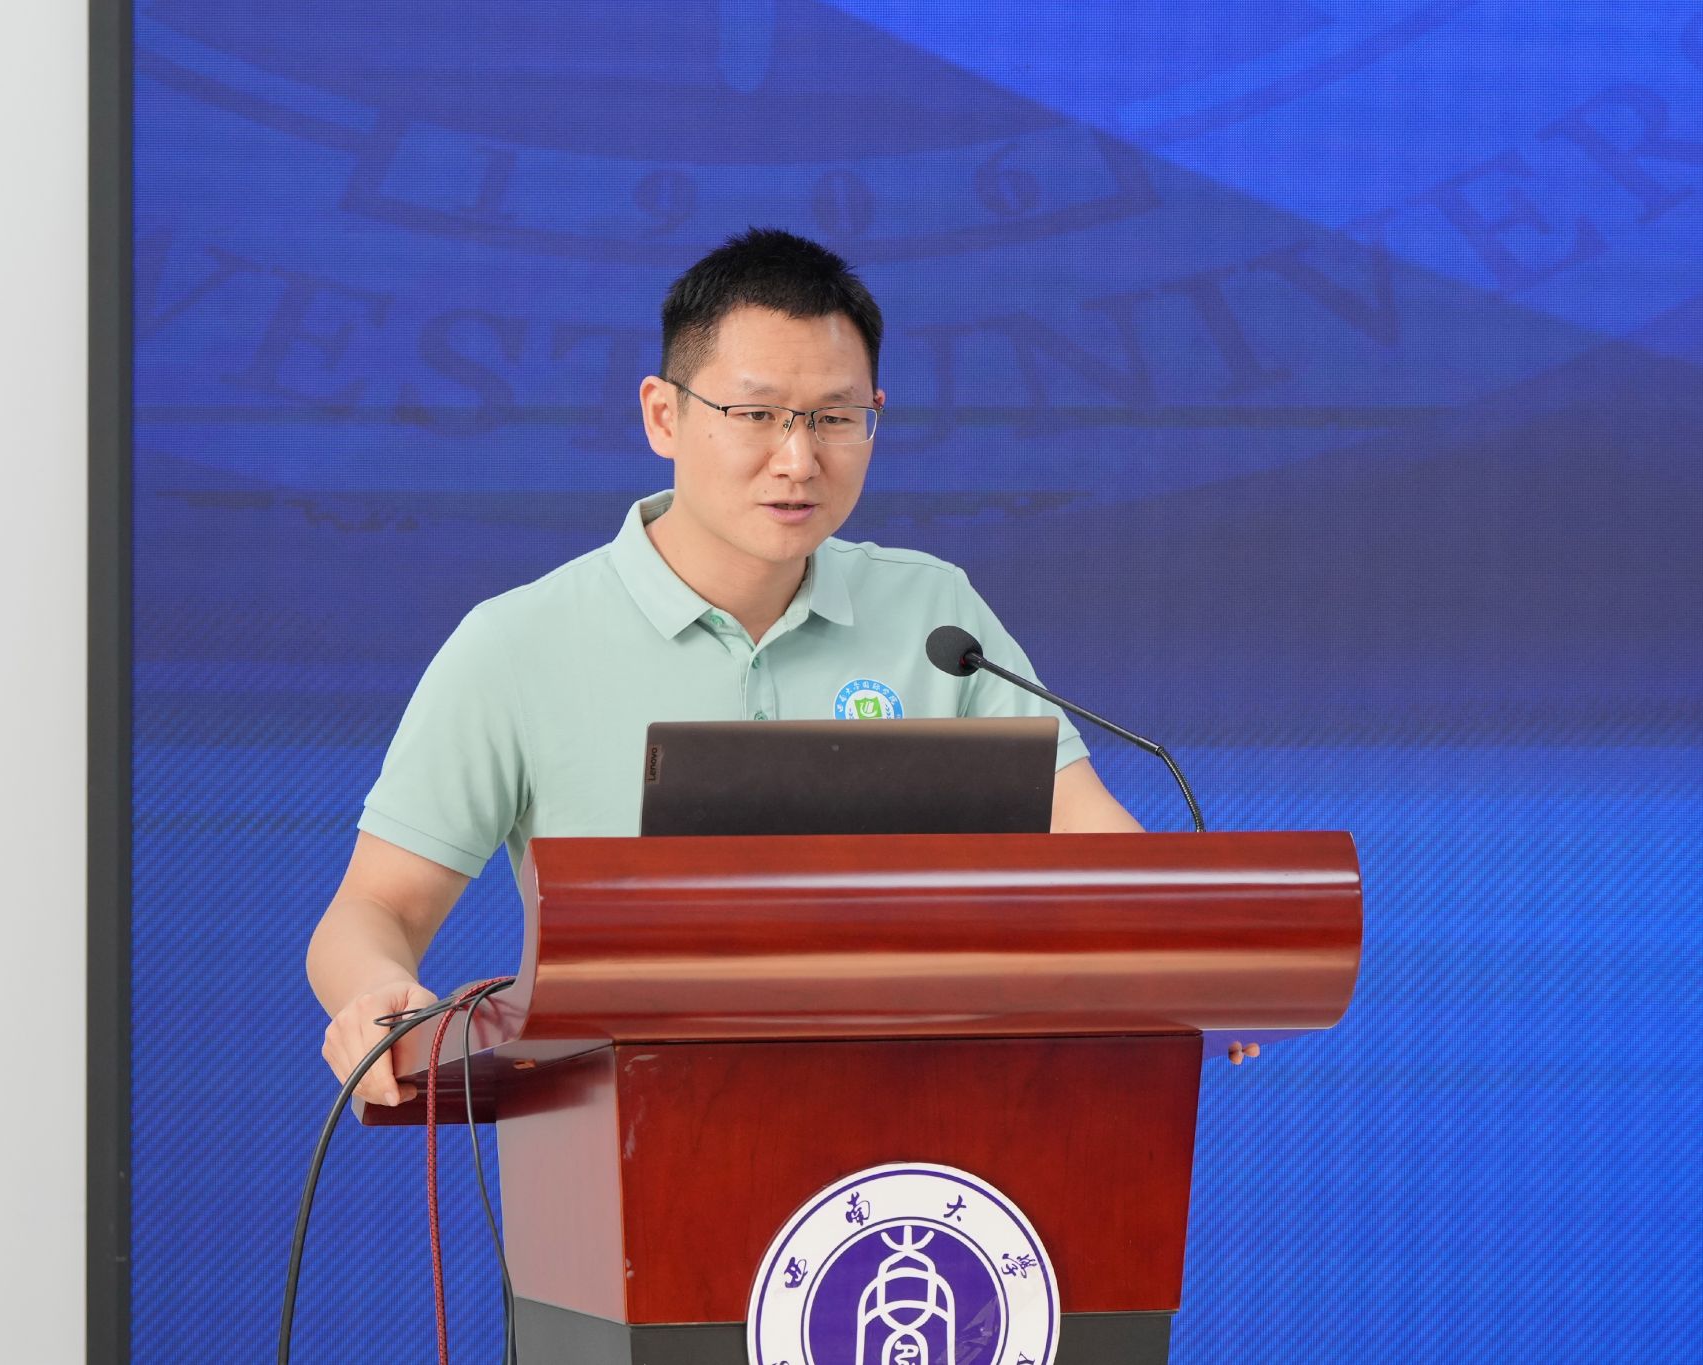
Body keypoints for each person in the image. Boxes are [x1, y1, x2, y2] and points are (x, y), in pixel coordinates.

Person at [306, 227, 1147, 1106]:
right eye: (756, 415)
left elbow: (1096, 846)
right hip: (624, 1131)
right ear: (663, 416)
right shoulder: (518, 643)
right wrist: (377, 991)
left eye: (834, 418)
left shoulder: (935, 615)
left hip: (925, 1126)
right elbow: (376, 908)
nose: (799, 459)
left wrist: (1191, 958)